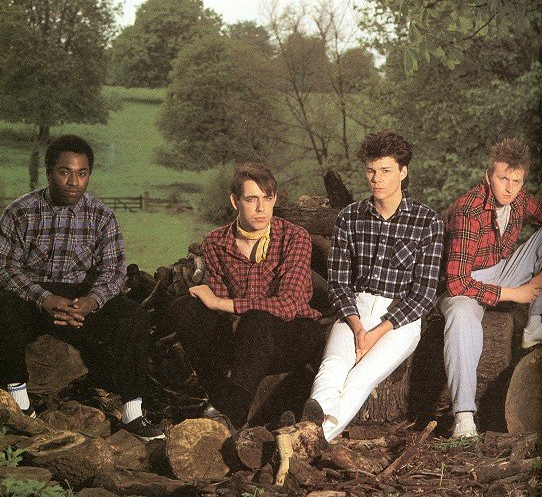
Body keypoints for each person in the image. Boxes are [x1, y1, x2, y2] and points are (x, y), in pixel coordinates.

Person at [0, 135, 165, 441]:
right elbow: (5, 268)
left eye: (82, 173)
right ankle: (19, 403)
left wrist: (90, 302)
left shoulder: (102, 216)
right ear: (49, 172)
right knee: (4, 306)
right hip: (34, 301)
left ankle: (133, 413)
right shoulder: (20, 212)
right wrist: (44, 298)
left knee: (133, 316)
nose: (73, 182)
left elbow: (113, 272)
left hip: (82, 302)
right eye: (64, 172)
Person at [304, 131, 444, 442]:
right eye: (370, 170)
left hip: (400, 319)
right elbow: (338, 283)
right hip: (354, 308)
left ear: (403, 172)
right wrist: (357, 327)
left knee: (360, 378)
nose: (376, 179)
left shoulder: (427, 222)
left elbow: (423, 294)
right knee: (332, 368)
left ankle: (310, 438)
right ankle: (309, 435)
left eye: (385, 170)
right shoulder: (349, 217)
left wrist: (376, 332)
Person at [168, 162, 325, 431]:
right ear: (235, 201)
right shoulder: (216, 242)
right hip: (243, 337)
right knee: (184, 308)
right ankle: (220, 399)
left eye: (267, 198)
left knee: (258, 319)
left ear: (274, 199)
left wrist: (223, 304)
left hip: (292, 335)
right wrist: (218, 305)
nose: (261, 208)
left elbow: (289, 304)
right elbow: (218, 305)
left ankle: (230, 412)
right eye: (252, 199)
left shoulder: (294, 237)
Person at [439, 137, 542, 439]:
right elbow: (456, 282)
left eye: (516, 181)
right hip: (462, 284)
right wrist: (516, 294)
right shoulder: (468, 210)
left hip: (501, 271)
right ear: (488, 177)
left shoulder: (518, 199)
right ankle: (464, 418)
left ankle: (535, 325)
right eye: (502, 179)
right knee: (461, 315)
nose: (509, 188)